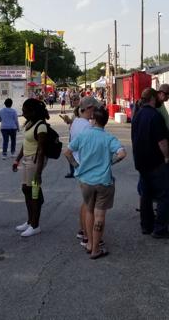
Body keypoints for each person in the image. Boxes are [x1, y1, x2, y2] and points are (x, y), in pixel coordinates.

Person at [64, 106, 127, 259]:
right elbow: (122, 153)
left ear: (93, 120)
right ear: (105, 121)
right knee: (100, 215)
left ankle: (90, 243)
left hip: (85, 181)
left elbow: (67, 152)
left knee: (89, 210)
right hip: (103, 182)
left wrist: (77, 166)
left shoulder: (84, 135)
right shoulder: (109, 138)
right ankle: (95, 250)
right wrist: (111, 163)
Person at [131, 88, 169, 239]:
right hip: (156, 162)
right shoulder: (155, 116)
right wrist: (165, 157)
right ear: (152, 98)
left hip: (142, 161)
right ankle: (160, 229)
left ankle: (146, 226)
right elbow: (162, 141)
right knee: (164, 196)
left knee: (146, 195)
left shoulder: (137, 115)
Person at [12, 98, 50, 237]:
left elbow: (41, 150)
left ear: (33, 111)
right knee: (26, 189)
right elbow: (25, 143)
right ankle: (29, 221)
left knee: (33, 192)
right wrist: (17, 159)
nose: (23, 114)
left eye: (25, 111)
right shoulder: (29, 123)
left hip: (35, 161)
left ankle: (35, 225)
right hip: (27, 160)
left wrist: (38, 173)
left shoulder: (41, 127)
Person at [68, 96, 100, 242]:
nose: (97, 111)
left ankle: (83, 231)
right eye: (95, 108)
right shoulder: (86, 126)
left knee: (86, 202)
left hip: (81, 167)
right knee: (90, 205)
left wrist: (76, 165)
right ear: (88, 109)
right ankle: (88, 237)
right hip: (87, 168)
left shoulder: (77, 122)